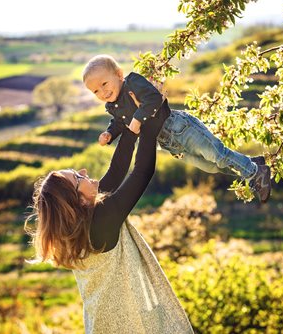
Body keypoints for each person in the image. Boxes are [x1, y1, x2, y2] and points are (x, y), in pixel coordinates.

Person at [24, 92, 194, 333]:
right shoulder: (101, 221)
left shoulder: (84, 222)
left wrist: (134, 123)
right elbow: (142, 171)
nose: (84, 171)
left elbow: (117, 171)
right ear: (78, 200)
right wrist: (151, 117)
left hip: (102, 324)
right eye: (78, 177)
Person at [83, 54, 272, 203]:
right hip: (169, 144)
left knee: (218, 155)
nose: (103, 92)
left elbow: (154, 99)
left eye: (104, 84)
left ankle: (256, 173)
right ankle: (252, 164)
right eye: (96, 91)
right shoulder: (112, 106)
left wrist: (138, 119)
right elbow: (118, 122)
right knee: (211, 166)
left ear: (118, 74)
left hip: (180, 127)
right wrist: (110, 133)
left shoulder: (133, 82)